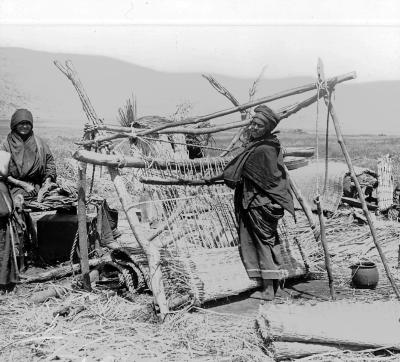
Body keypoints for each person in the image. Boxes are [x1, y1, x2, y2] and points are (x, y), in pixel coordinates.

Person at [206, 105, 294, 301]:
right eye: (252, 123)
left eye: (258, 125)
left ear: (267, 128)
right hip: (263, 202)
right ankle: (277, 287)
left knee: (262, 243)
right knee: (270, 242)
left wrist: (213, 178)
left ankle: (268, 290)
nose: (253, 128)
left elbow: (241, 171)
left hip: (258, 203)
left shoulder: (263, 149)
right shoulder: (268, 144)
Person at [0, 109, 57, 203]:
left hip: (38, 185)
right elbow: (2, 173)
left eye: (28, 123)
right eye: (21, 123)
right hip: (14, 186)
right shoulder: (5, 145)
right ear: (15, 125)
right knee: (20, 204)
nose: (25, 126)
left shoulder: (39, 143)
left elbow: (49, 163)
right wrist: (24, 185)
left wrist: (47, 182)